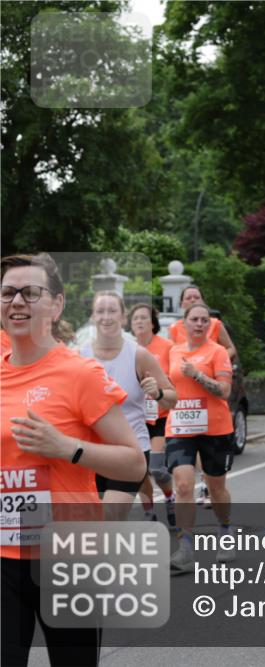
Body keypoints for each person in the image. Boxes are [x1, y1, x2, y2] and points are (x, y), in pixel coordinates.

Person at [2, 253, 145, 667]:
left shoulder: (81, 374)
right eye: (8, 293)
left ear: (57, 305)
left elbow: (134, 464)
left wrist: (68, 448)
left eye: (31, 293)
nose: (17, 302)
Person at [80, 292, 177, 521]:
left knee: (110, 516)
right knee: (93, 521)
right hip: (91, 453)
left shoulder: (138, 355)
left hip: (130, 451)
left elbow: (172, 398)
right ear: (93, 317)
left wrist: (157, 392)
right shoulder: (80, 356)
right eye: (100, 311)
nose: (106, 316)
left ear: (123, 317)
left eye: (112, 311)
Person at [166, 302, 236, 571]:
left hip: (214, 428)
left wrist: (196, 375)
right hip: (180, 426)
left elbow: (224, 391)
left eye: (204, 320)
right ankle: (185, 548)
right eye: (194, 319)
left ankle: (225, 529)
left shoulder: (218, 352)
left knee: (216, 488)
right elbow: (168, 386)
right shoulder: (174, 351)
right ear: (184, 323)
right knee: (183, 485)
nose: (199, 324)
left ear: (210, 325)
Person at [128, 304, 178, 527]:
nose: (139, 321)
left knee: (156, 468)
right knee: (139, 471)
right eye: (135, 318)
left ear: (153, 323)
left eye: (144, 318)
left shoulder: (167, 347)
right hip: (137, 418)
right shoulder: (127, 349)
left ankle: (169, 498)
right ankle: (149, 512)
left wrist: (159, 387)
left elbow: (175, 379)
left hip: (161, 415)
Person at [168, 285, 237, 359]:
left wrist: (216, 359)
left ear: (203, 301)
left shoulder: (215, 324)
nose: (193, 300)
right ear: (182, 304)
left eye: (197, 297)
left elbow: (231, 349)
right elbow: (169, 353)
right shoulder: (174, 327)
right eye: (188, 298)